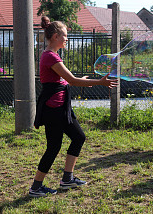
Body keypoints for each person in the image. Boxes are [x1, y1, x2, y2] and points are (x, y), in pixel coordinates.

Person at [29, 16, 118, 197]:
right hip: (54, 109)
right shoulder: (50, 56)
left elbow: (62, 81)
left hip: (61, 107)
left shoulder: (52, 56)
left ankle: (67, 179)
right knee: (54, 147)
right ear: (55, 36)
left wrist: (84, 81)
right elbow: (71, 80)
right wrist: (100, 82)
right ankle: (36, 187)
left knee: (78, 137)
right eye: (65, 35)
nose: (67, 38)